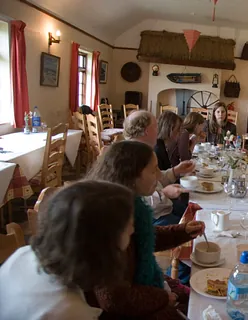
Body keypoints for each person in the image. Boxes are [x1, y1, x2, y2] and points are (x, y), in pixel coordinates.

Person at [85, 141, 205, 319]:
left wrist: (183, 231)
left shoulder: (131, 204)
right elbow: (113, 299)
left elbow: (145, 238)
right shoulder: (109, 221)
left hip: (138, 286)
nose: (158, 176)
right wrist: (162, 299)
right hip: (119, 311)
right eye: (154, 170)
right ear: (132, 175)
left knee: (200, 298)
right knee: (200, 304)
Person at [0, 181, 135, 319]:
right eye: (128, 225)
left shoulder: (24, 253)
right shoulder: (68, 311)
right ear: (104, 240)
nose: (132, 230)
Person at [123, 110, 194, 224]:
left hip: (163, 208)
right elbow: (134, 201)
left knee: (195, 208)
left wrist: (176, 171)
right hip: (152, 218)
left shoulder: (144, 151)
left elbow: (156, 178)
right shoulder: (129, 157)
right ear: (146, 131)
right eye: (156, 127)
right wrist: (164, 193)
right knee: (194, 224)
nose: (159, 131)